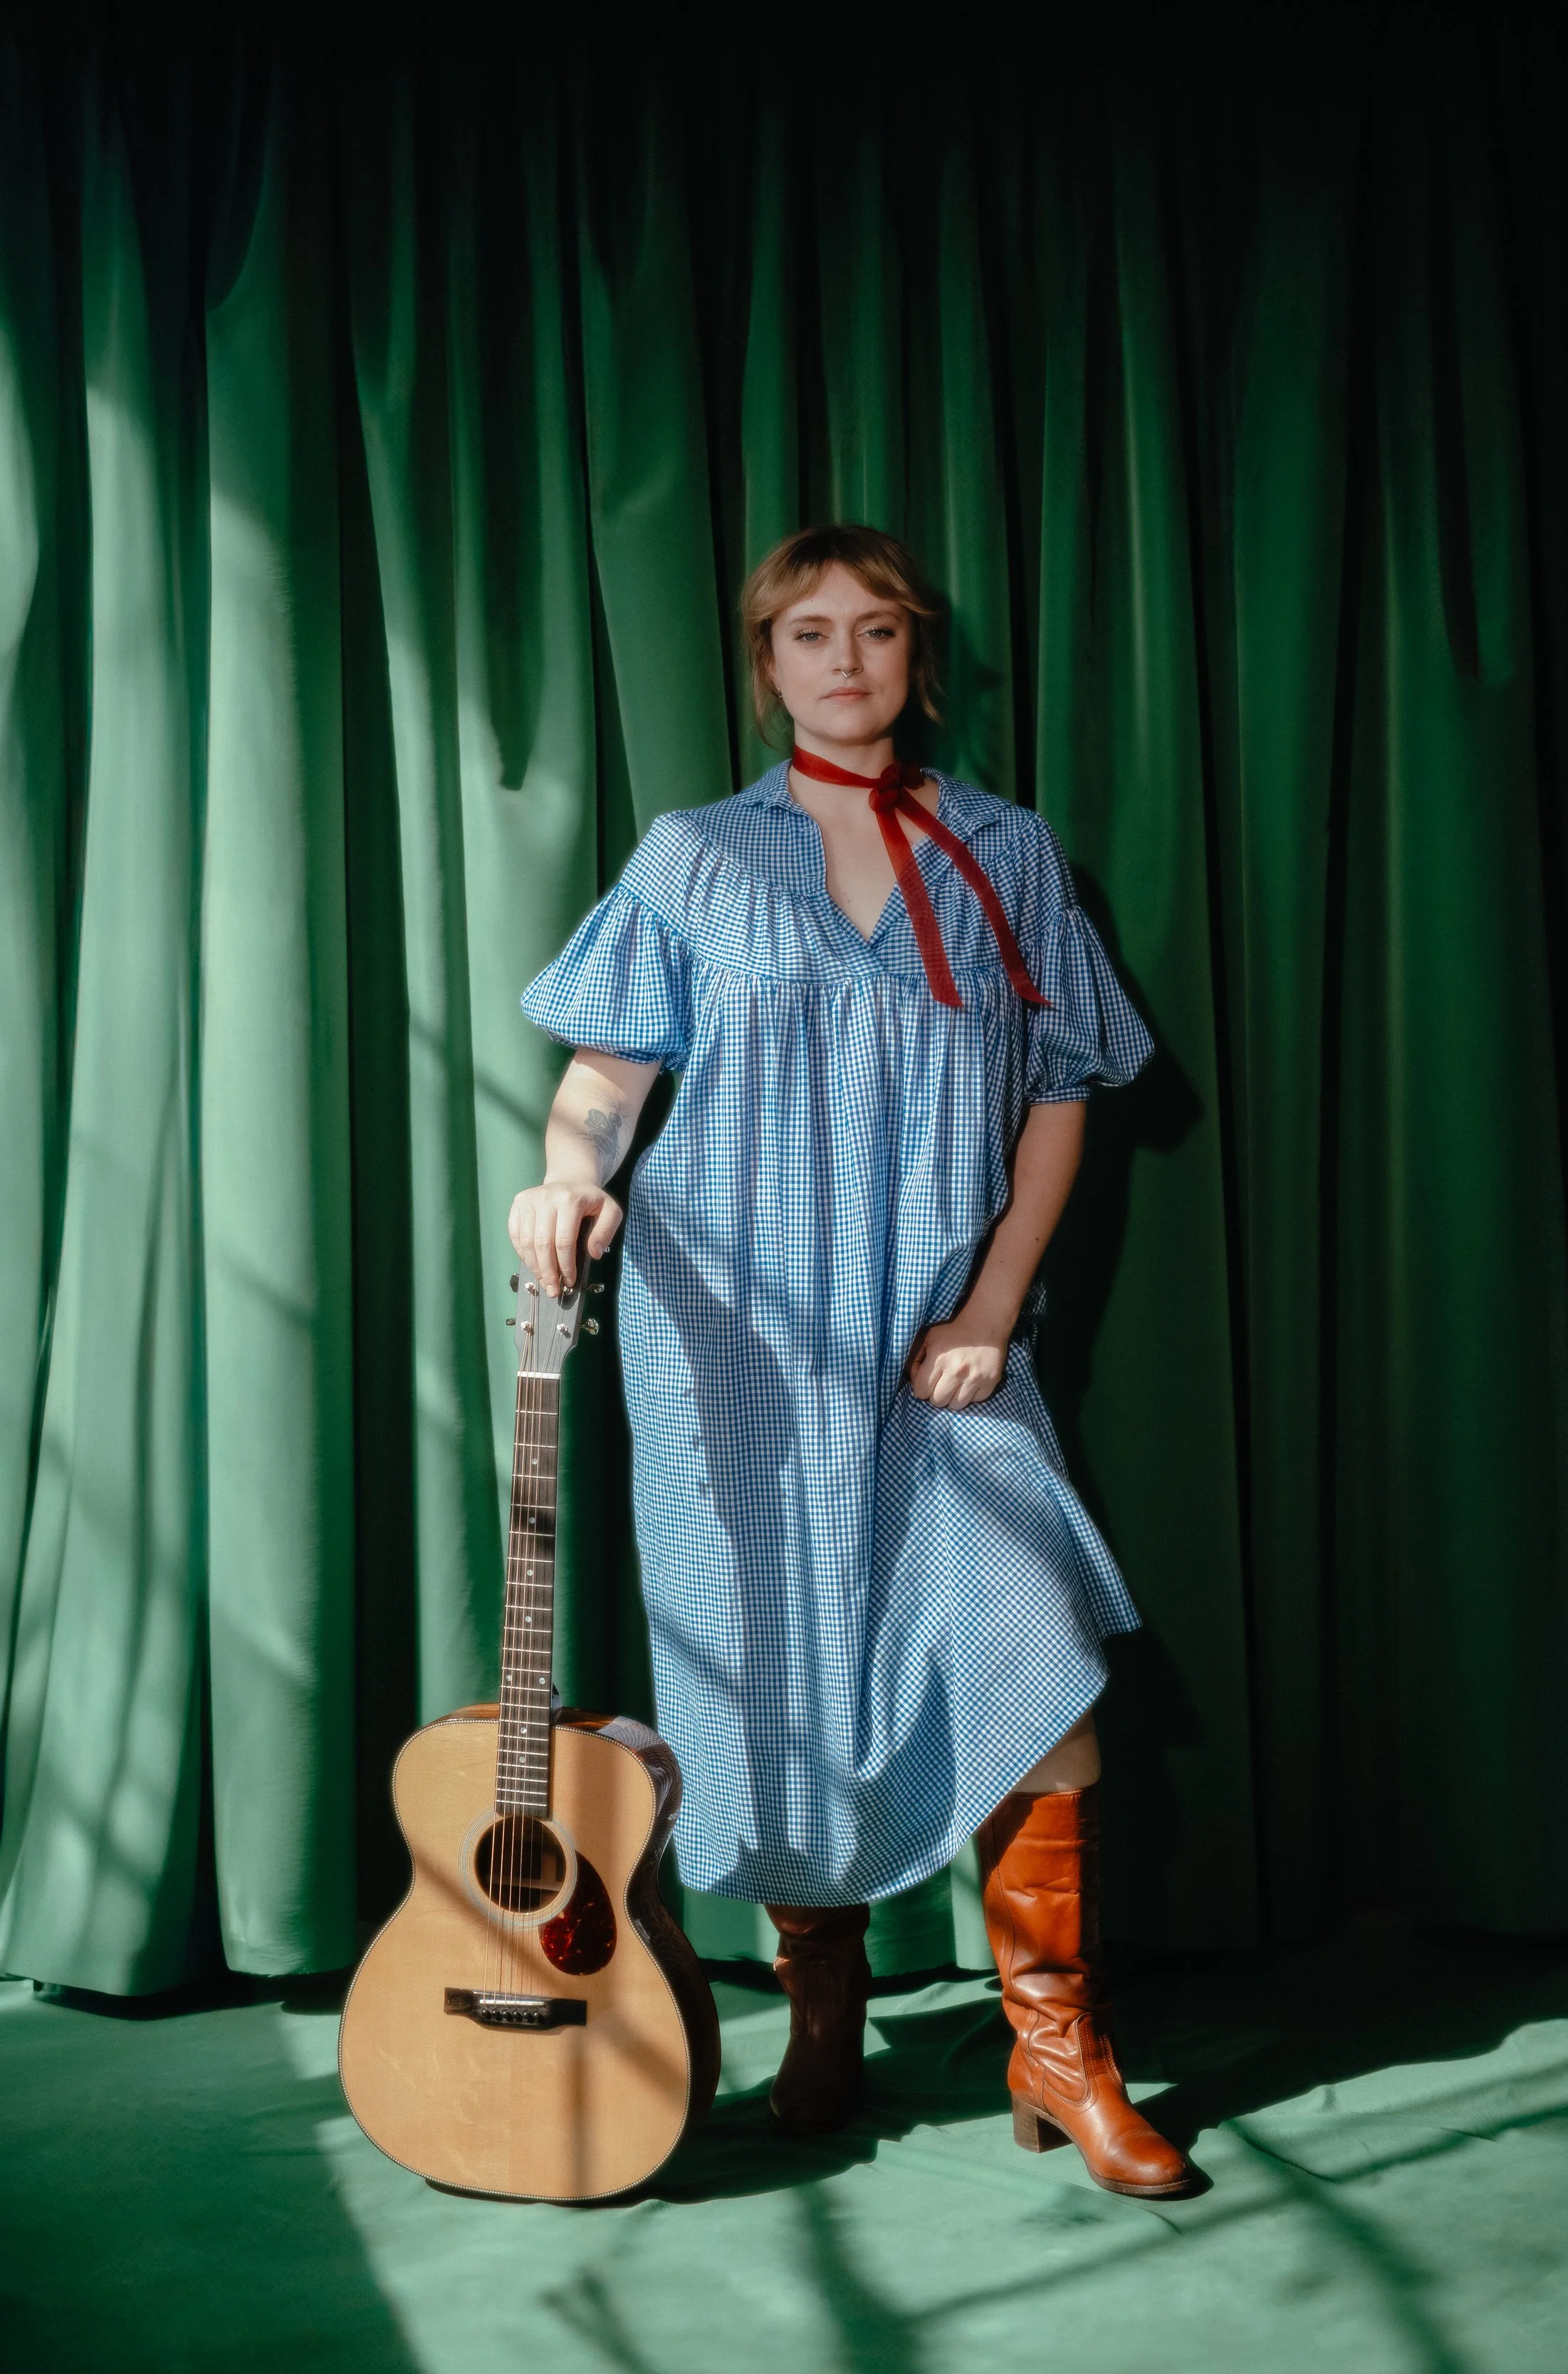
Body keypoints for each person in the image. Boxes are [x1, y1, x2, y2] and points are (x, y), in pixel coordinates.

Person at [511, 524, 1203, 2200]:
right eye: (808, 632)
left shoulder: (1005, 852)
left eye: (876, 630)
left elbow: (1060, 1098)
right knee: (766, 1676)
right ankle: (820, 1998)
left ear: (914, 659)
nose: (844, 660)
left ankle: (1058, 2041)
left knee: (1031, 1640)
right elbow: (609, 1078)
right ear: (766, 667)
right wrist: (567, 1173)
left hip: (934, 1348)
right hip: (728, 1341)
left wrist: (985, 1314)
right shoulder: (692, 858)